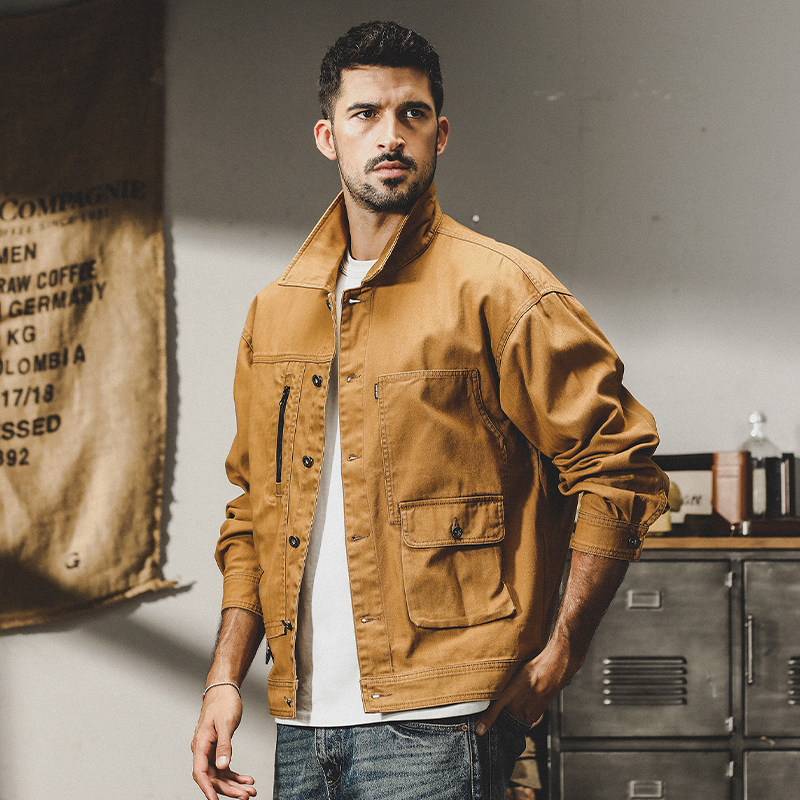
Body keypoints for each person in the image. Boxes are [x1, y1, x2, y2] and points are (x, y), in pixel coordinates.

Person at [191, 20, 668, 800]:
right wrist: (223, 679)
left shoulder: (503, 290)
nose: (390, 134)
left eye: (411, 114)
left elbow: (618, 468)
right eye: (365, 113)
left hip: (442, 723)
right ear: (328, 137)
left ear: (439, 134)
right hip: (303, 723)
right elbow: (254, 513)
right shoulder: (275, 313)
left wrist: (560, 656)